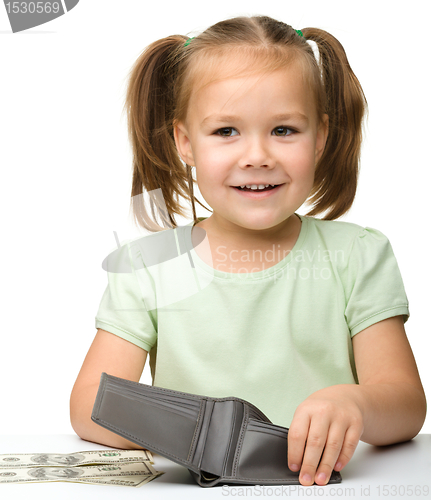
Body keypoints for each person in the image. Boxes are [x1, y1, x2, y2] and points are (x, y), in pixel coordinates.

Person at [70, 15, 427, 487]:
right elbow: (90, 403)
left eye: (283, 130)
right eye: (225, 131)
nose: (257, 155)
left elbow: (405, 403)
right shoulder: (151, 265)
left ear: (319, 136)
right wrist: (201, 437)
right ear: (185, 142)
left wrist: (354, 402)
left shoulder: (357, 255)